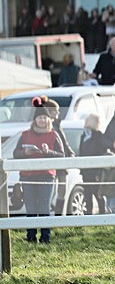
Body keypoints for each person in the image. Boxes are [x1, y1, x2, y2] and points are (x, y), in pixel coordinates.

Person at [13, 98, 65, 243]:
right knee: (30, 208)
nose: (42, 120)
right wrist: (25, 153)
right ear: (35, 120)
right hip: (27, 176)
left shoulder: (54, 135)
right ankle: (30, 236)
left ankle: (45, 236)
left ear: (48, 119)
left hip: (46, 175)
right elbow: (15, 153)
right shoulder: (25, 135)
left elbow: (62, 155)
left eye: (44, 117)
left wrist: (49, 152)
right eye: (39, 117)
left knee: (44, 207)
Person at [41, 97, 75, 215]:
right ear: (50, 112)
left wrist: (70, 153)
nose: (58, 113)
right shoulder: (47, 127)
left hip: (61, 160)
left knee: (62, 190)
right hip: (53, 160)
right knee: (53, 191)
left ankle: (58, 215)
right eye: (56, 111)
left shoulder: (58, 125)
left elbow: (64, 143)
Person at [78, 114, 108, 215]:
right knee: (87, 195)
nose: (86, 121)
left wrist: (98, 172)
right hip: (85, 171)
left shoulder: (99, 136)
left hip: (95, 171)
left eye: (88, 119)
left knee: (98, 194)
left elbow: (101, 153)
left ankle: (102, 216)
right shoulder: (84, 135)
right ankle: (88, 217)